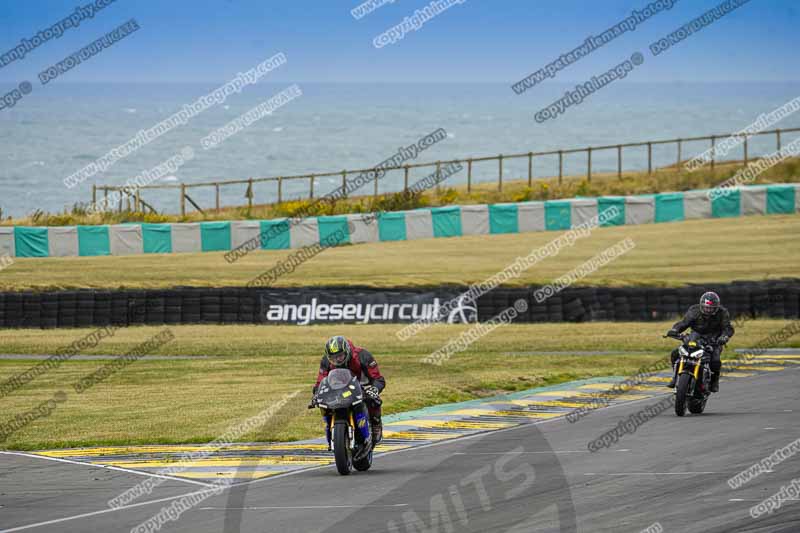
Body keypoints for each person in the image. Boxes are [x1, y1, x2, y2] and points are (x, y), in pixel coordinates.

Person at [312, 335, 385, 446]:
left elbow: (378, 379)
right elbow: (320, 380)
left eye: (340, 356)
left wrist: (374, 389)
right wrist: (317, 394)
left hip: (362, 386)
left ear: (347, 351)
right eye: (333, 357)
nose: (337, 360)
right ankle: (330, 428)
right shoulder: (326, 361)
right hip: (338, 389)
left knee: (373, 400)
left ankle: (376, 424)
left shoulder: (363, 356)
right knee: (324, 405)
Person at [666, 291, 734, 392]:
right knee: (675, 353)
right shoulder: (694, 310)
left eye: (712, 308)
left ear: (716, 307)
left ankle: (714, 381)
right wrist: (675, 330)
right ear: (702, 305)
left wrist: (724, 337)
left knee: (715, 360)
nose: (709, 310)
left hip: (714, 339)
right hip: (696, 336)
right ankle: (675, 377)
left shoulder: (722, 313)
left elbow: (727, 328)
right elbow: (684, 323)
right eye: (707, 307)